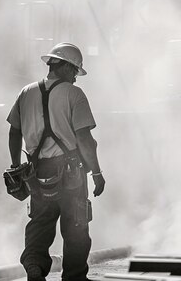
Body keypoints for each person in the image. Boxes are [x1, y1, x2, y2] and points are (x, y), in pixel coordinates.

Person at [7, 42, 106, 281]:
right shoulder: (75, 95)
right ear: (62, 66)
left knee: (39, 225)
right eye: (74, 71)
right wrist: (96, 173)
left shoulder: (26, 92)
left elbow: (14, 132)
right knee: (76, 228)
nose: (75, 77)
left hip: (36, 173)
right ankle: (74, 278)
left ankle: (34, 268)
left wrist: (15, 166)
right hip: (71, 173)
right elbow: (84, 138)